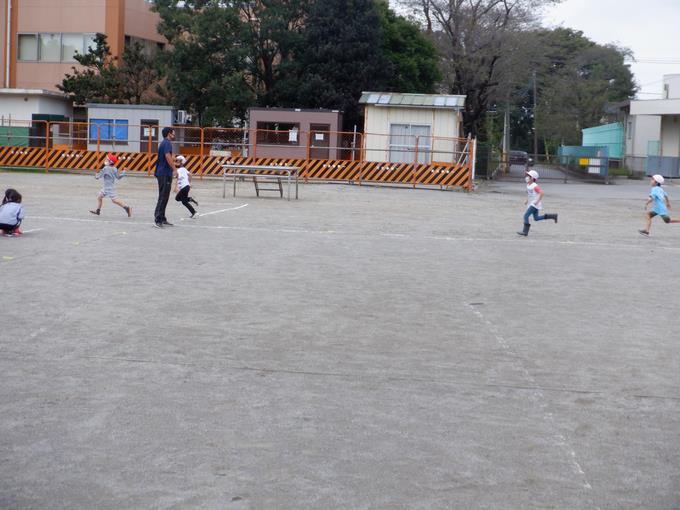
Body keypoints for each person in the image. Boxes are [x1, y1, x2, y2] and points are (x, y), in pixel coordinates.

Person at [517, 169, 558, 236]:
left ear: (532, 178)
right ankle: (553, 216)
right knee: (536, 218)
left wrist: (537, 201)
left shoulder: (534, 185)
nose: (526, 177)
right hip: (532, 204)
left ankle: (525, 231)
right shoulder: (528, 185)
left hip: (534, 204)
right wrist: (527, 200)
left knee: (525, 216)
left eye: (528, 176)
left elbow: (541, 193)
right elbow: (528, 193)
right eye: (527, 175)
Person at [154, 127, 176, 228]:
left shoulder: (165, 143)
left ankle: (162, 218)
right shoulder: (167, 143)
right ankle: (158, 219)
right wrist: (175, 169)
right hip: (164, 173)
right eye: (173, 133)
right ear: (169, 134)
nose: (174, 134)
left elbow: (168, 156)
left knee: (165, 196)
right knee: (163, 196)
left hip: (165, 173)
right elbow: (167, 156)